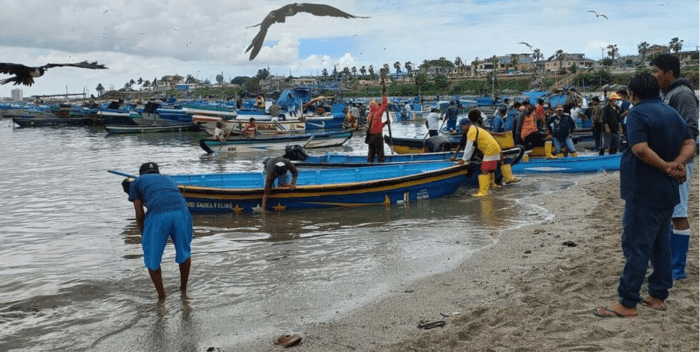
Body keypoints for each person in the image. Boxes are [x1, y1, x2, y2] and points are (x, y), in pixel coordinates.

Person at [593, 72, 695, 318]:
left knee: (636, 246)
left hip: (644, 190)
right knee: (661, 245)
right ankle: (658, 296)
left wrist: (665, 166)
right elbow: (690, 142)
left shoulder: (637, 114)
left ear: (633, 93)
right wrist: (677, 164)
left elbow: (640, 149)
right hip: (668, 191)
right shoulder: (670, 112)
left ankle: (627, 303)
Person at [651, 54, 700, 280]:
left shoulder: (682, 95)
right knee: (669, 212)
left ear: (669, 73)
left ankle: (677, 268)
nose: (654, 76)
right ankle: (669, 264)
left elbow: (691, 131)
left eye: (656, 71)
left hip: (679, 163)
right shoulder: (668, 94)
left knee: (679, 212)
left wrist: (678, 162)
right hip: (669, 164)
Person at [126, 162, 193, 300]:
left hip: (158, 216)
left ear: (141, 174)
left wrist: (143, 233)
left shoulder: (135, 183)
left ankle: (162, 297)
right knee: (184, 253)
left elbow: (139, 213)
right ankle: (183, 290)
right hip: (182, 213)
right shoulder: (168, 179)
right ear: (157, 172)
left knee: (152, 258)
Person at [366, 93, 389, 162]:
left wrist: (384, 123)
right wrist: (384, 96)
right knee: (380, 153)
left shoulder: (369, 116)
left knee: (371, 153)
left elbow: (376, 126)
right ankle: (380, 166)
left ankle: (369, 165)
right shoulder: (378, 114)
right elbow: (384, 105)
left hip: (370, 137)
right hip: (377, 137)